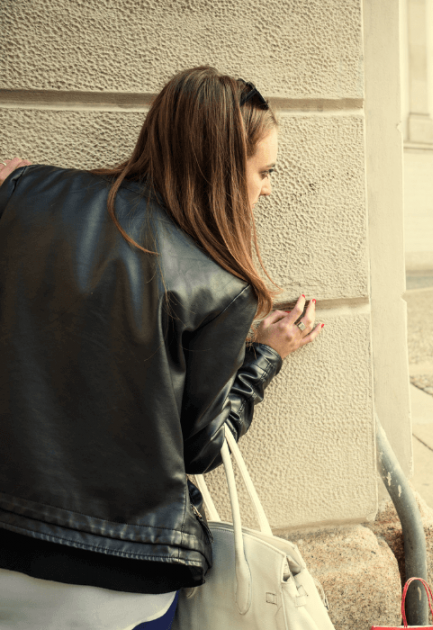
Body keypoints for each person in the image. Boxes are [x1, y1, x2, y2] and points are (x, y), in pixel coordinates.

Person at [0, 67, 324, 629]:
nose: (268, 188)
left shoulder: (23, 190)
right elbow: (201, 448)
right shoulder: (223, 285)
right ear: (222, 168)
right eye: (263, 172)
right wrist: (267, 354)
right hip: (121, 577)